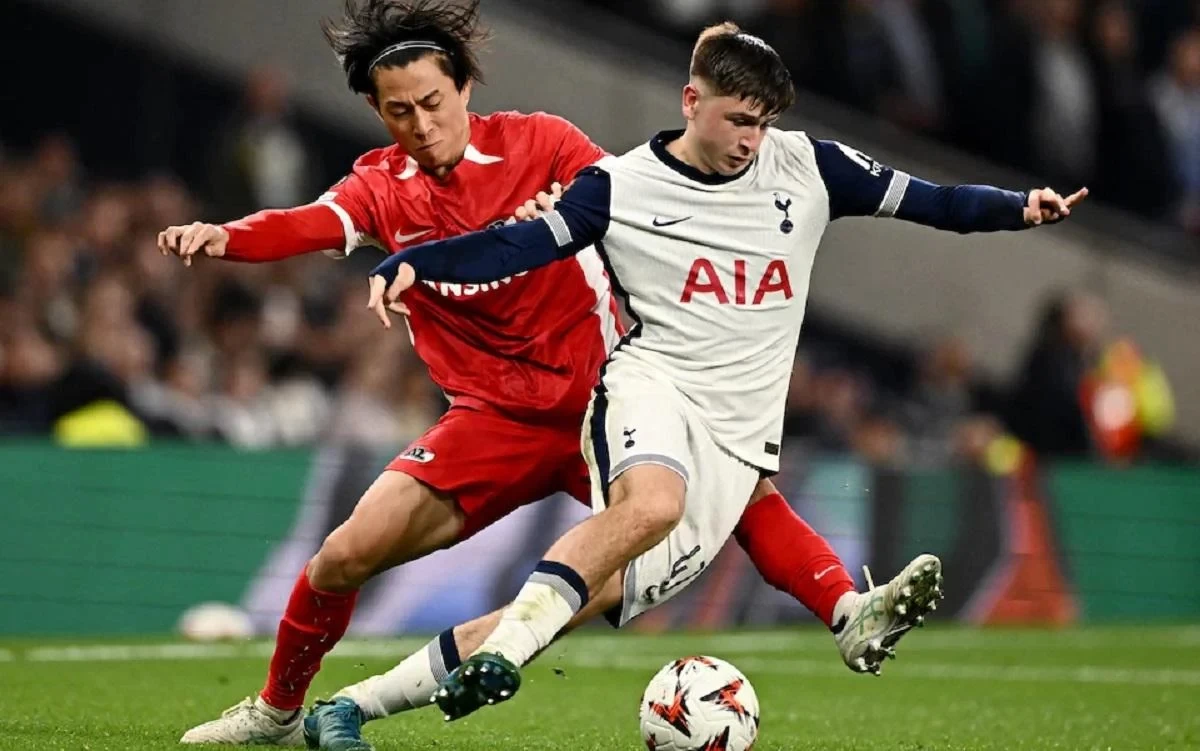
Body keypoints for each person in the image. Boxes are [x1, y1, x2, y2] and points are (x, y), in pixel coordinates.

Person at [161, 3, 869, 745]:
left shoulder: (543, 143)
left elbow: (641, 193)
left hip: (606, 399)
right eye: (399, 111)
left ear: (465, 88)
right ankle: (276, 711)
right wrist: (225, 235)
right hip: (492, 421)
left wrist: (576, 204)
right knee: (342, 556)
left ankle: (850, 613)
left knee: (741, 494)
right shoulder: (379, 188)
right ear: (375, 109)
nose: (421, 124)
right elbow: (307, 222)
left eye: (433, 102)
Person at [366, 21, 1087, 724]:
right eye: (739, 120)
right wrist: (413, 263)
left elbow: (936, 201)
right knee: (653, 505)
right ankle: (507, 655)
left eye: (763, 123)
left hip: (737, 420)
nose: (751, 140)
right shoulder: (620, 186)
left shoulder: (808, 167)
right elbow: (513, 249)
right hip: (650, 387)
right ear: (691, 101)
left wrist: (1019, 206)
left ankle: (360, 703)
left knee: (637, 568)